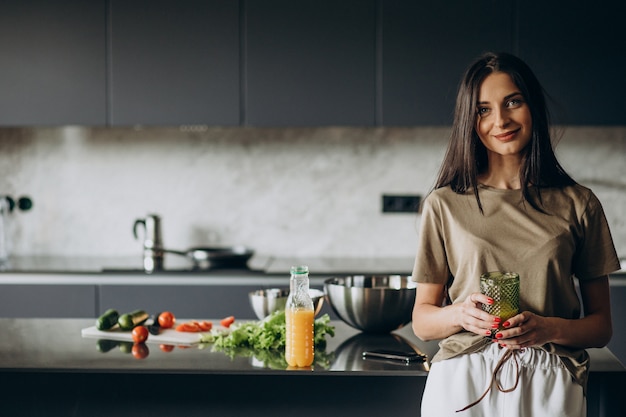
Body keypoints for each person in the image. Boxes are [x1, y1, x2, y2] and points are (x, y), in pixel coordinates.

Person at [411, 52, 620, 416]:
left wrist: (547, 328)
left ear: (532, 106)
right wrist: (461, 315)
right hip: (463, 380)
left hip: (550, 383)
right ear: (469, 121)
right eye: (483, 109)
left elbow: (601, 327)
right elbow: (423, 322)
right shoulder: (444, 204)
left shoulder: (579, 203)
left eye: (513, 102)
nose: (501, 120)